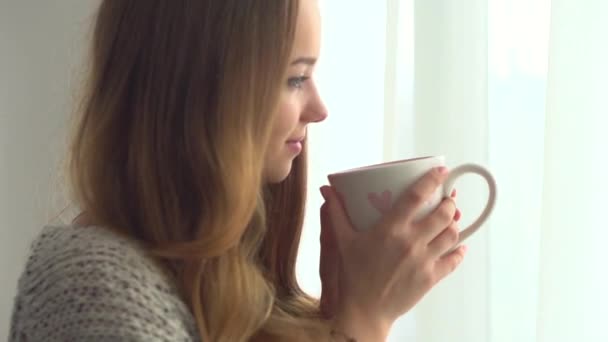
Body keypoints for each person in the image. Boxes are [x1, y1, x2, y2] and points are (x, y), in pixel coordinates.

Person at [8, 0, 466, 341]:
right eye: (295, 79)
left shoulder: (224, 279)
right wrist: (364, 321)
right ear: (201, 92)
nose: (320, 110)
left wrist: (332, 319)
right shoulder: (96, 289)